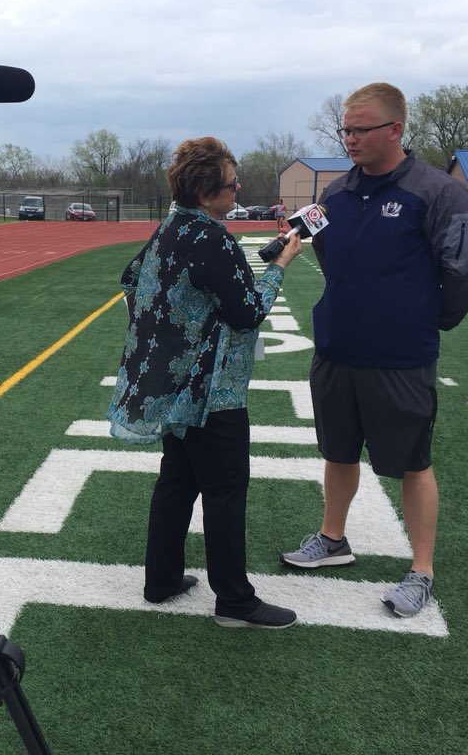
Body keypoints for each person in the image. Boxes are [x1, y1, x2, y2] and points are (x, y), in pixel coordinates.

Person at [279, 82, 468, 618]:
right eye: (345, 129)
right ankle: (333, 538)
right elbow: (326, 256)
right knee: (338, 452)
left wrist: (425, 318)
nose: (349, 138)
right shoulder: (334, 195)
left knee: (412, 462)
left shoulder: (440, 193)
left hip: (400, 357)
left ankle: (421, 569)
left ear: (395, 129)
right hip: (337, 348)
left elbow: (464, 271)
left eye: (360, 128)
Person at [107, 137, 303, 629]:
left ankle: (162, 580)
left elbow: (132, 280)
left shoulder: (170, 227)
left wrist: (176, 327)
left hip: (174, 387)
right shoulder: (214, 239)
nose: (237, 191)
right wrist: (278, 266)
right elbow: (247, 314)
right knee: (224, 490)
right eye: (231, 185)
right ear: (205, 190)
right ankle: (234, 600)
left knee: (178, 480)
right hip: (212, 391)